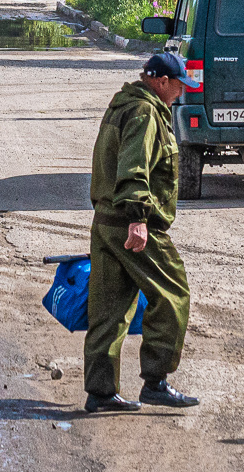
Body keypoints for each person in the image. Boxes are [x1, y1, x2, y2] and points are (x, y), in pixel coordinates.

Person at [84, 52, 199, 414]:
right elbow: (133, 166)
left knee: (109, 309)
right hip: (131, 224)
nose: (181, 93)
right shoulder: (145, 113)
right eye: (179, 85)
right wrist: (138, 219)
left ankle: (101, 393)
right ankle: (156, 381)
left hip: (105, 222)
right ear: (161, 81)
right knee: (173, 293)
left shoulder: (123, 105)